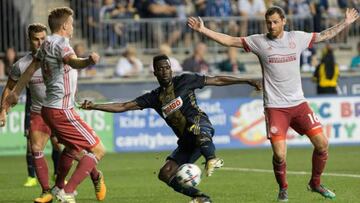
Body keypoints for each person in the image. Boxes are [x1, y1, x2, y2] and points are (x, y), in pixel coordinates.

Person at [188, 6, 359, 201]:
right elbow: (230, 40)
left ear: (284, 21)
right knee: (280, 155)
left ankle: (315, 183)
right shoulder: (259, 41)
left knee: (322, 144)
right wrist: (203, 30)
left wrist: (345, 23)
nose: (271, 26)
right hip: (275, 107)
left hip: (299, 104)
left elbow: (323, 35)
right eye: (268, 22)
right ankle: (283, 189)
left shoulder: (297, 38)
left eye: (275, 22)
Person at [80, 54, 261, 203]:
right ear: (155, 73)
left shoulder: (185, 80)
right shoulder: (154, 97)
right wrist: (95, 106)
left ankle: (212, 158)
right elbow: (124, 106)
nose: (164, 71)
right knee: (165, 174)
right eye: (160, 69)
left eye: (167, 67)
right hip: (186, 142)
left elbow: (218, 80)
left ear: (171, 69)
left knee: (194, 128)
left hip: (201, 125)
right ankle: (200, 197)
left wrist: (246, 80)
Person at [1, 7, 107, 203]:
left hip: (48, 109)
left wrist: (16, 93)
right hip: (61, 110)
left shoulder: (47, 43)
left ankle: (58, 186)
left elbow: (32, 68)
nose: (73, 27)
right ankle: (67, 191)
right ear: (65, 25)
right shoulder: (62, 45)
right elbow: (72, 62)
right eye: (72, 24)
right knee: (98, 150)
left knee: (71, 148)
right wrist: (88, 61)